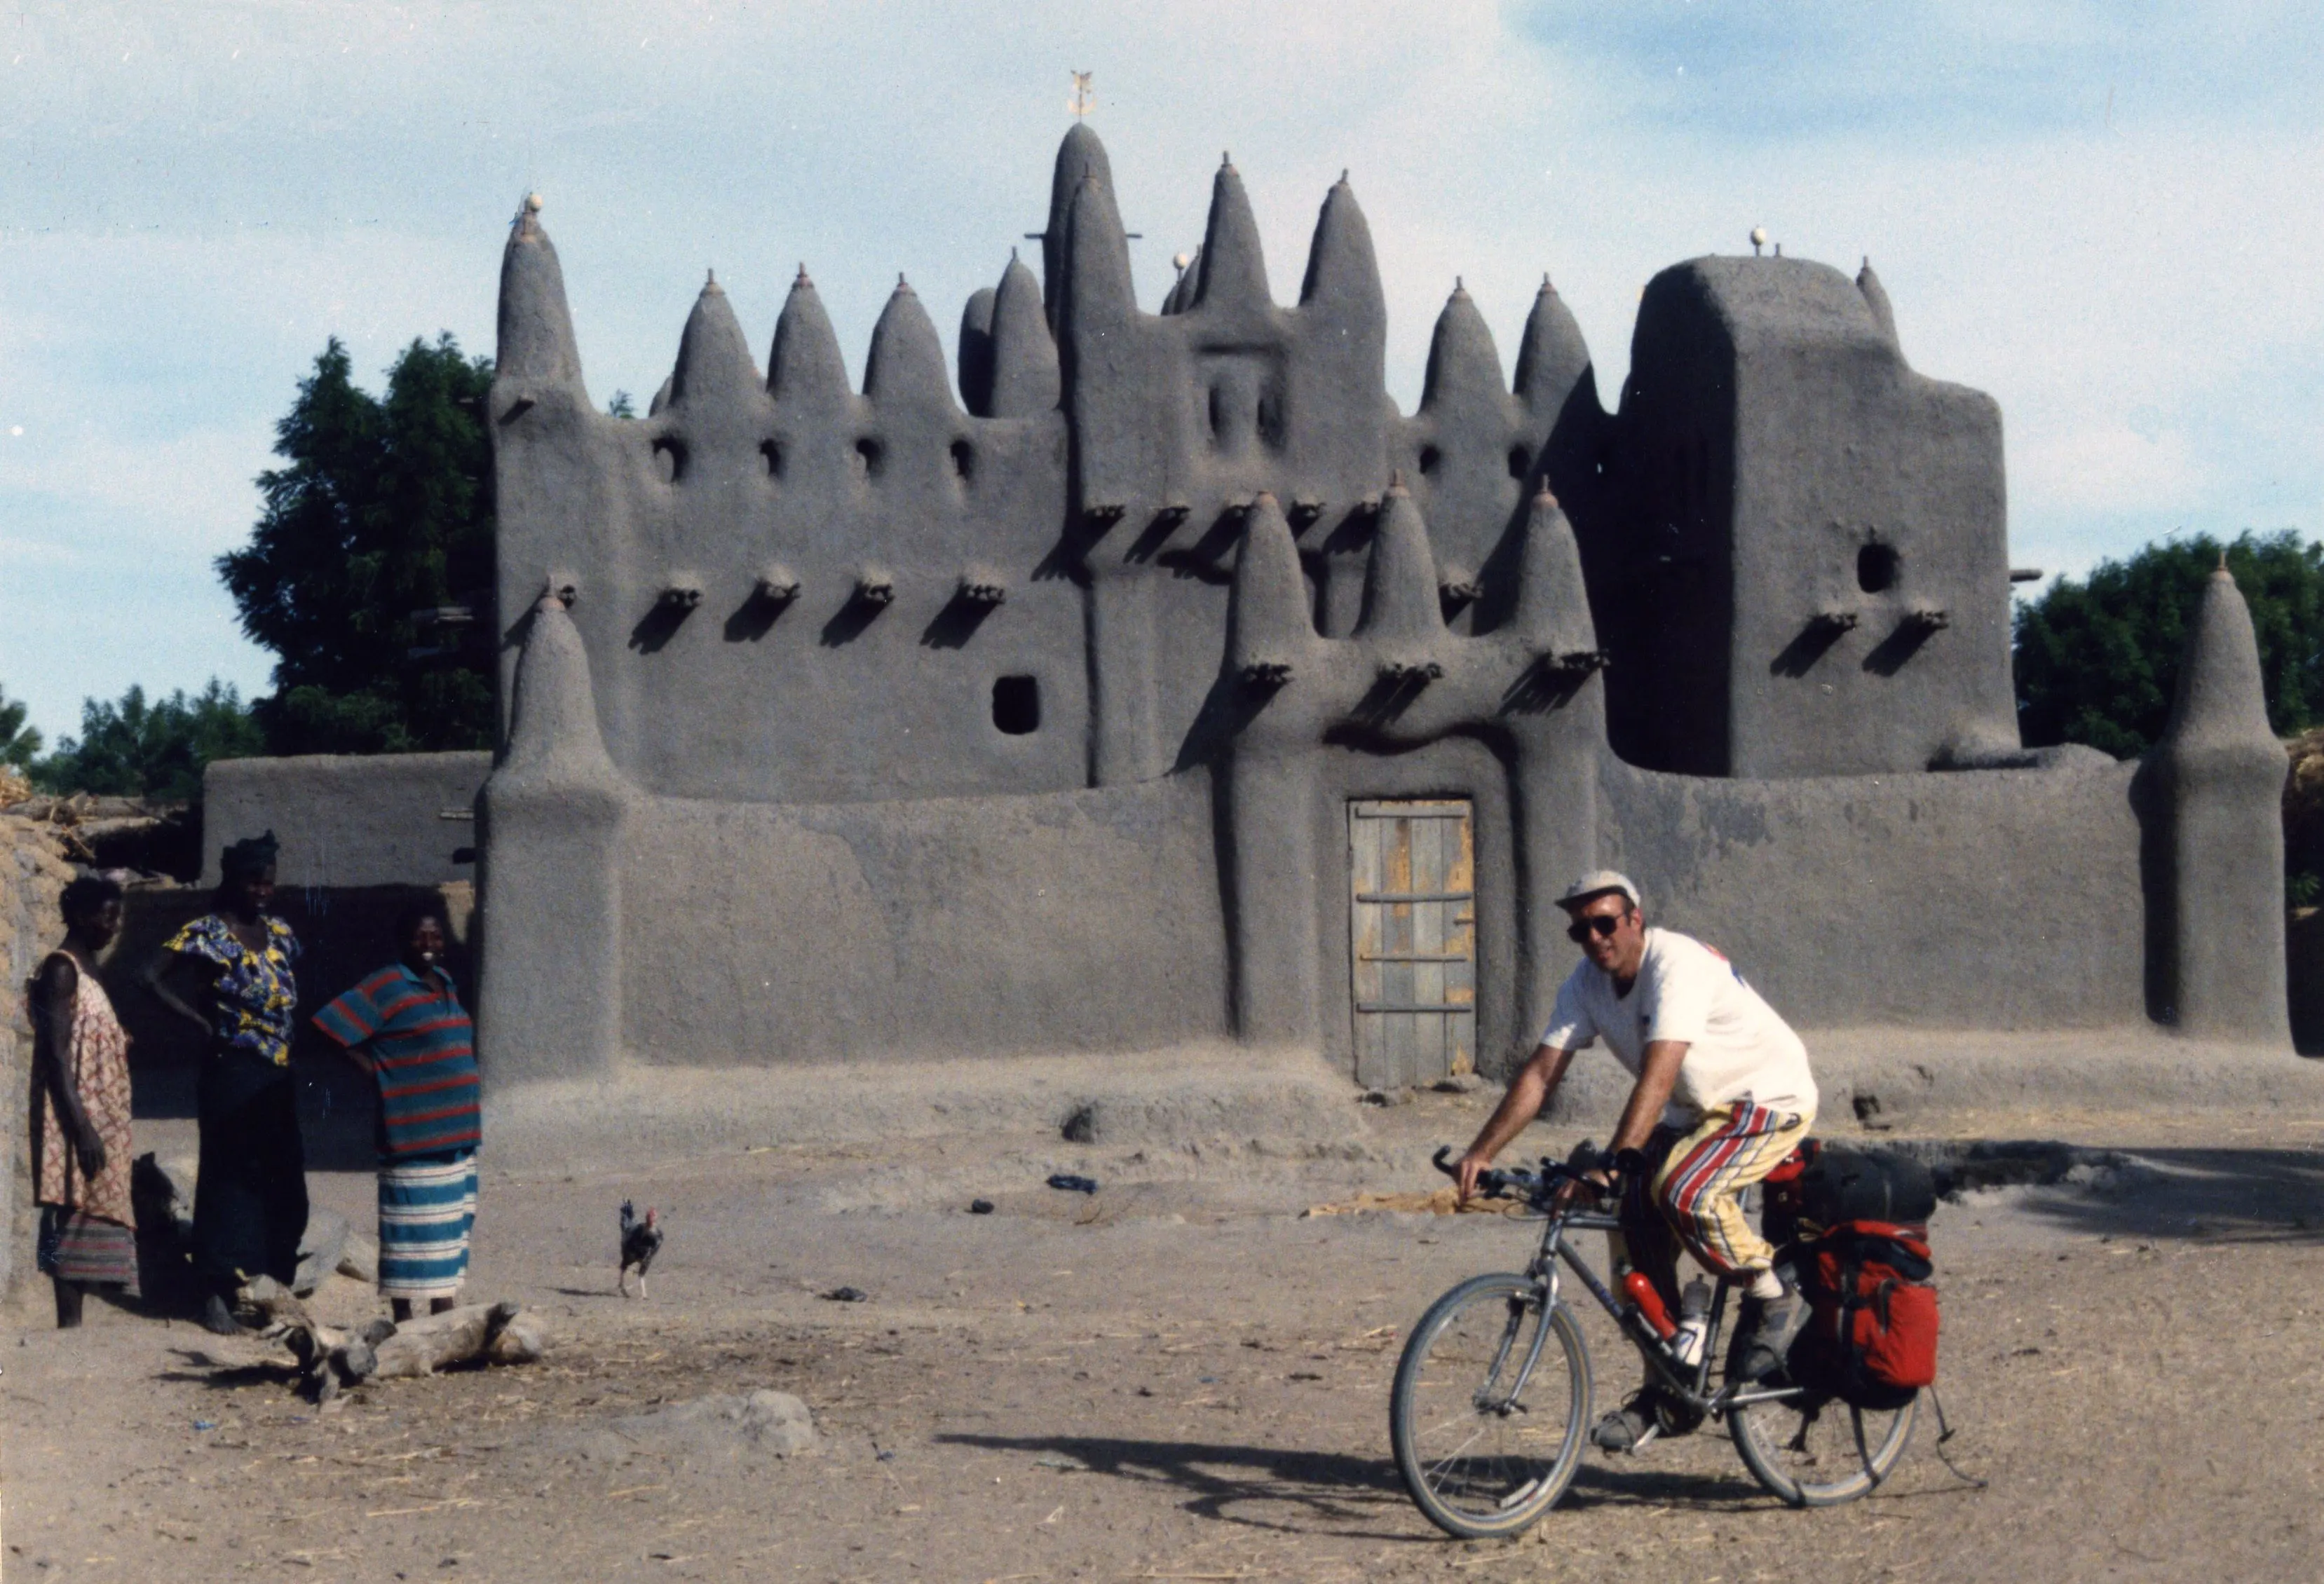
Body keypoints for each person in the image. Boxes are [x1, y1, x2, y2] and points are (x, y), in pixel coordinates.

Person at [1453, 870, 1819, 1453]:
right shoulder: (1584, 984)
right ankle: (1670, 1391)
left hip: (1764, 1100)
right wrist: (1481, 1151)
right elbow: (1542, 1073)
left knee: (1682, 1189)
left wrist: (1613, 1161)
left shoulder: (1675, 964)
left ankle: (1770, 1289)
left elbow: (1659, 1073)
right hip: (1693, 1114)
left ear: (1634, 920)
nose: (1594, 938)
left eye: (1605, 923)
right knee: (1633, 1239)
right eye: (1580, 930)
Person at [145, 831, 306, 1335]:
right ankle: (215, 1290)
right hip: (230, 1073)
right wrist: (198, 1023)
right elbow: (146, 975)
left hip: (276, 1075)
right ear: (232, 881)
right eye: (252, 882)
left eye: (268, 883)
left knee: (283, 1179)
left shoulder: (279, 932)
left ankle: (271, 1287)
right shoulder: (206, 933)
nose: (262, 891)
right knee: (228, 1180)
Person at [311, 905, 482, 1321]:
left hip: (457, 1132)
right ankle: (404, 1316)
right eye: (419, 937)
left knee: (449, 1226)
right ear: (403, 941)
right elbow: (327, 1026)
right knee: (411, 1225)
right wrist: (375, 1071)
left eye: (436, 936)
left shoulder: (444, 982)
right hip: (412, 1132)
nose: (429, 945)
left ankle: (444, 1313)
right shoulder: (387, 984)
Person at [28, 876, 138, 1326]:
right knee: (69, 1208)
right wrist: (83, 1128)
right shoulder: (61, 969)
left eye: (118, 917)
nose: (113, 927)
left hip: (97, 1112)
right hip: (73, 1113)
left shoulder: (88, 966)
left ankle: (76, 1320)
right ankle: (66, 1322)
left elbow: (82, 1034)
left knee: (85, 1205)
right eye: (107, 916)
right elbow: (55, 1055)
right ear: (78, 916)